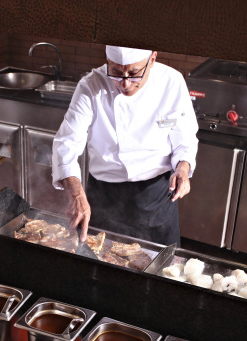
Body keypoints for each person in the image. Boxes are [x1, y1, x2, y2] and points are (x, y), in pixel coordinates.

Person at [52, 45, 199, 246]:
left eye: (134, 73)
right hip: (104, 196)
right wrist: (76, 194)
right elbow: (66, 143)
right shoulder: (91, 85)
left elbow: (184, 135)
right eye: (116, 71)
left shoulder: (171, 82)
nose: (125, 83)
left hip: (156, 197)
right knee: (96, 261)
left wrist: (183, 167)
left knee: (162, 264)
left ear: (152, 59)